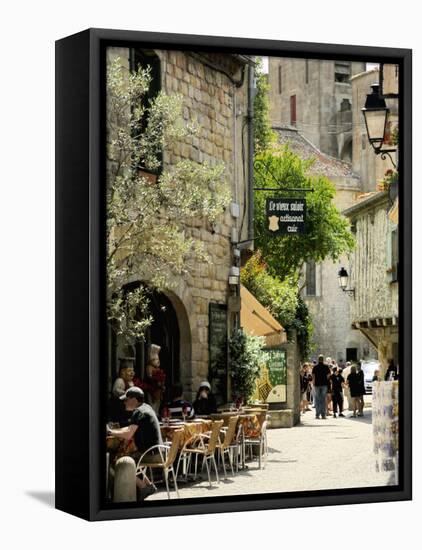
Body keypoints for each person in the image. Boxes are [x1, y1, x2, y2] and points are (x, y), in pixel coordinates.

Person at [107, 386, 163, 500]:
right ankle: (147, 485)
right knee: (130, 458)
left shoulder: (139, 412)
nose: (124, 402)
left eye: (126, 399)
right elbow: (130, 428)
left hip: (151, 455)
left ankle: (142, 487)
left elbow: (128, 434)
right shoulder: (145, 408)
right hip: (158, 452)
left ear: (134, 400)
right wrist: (114, 431)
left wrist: (109, 431)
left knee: (117, 461)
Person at [142, 344, 166, 414]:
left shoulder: (157, 369)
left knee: (157, 404)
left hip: (158, 389)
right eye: (155, 360)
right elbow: (150, 376)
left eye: (158, 359)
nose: (158, 361)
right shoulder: (149, 367)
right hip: (152, 389)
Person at [312, 355, 330, 419]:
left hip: (317, 384)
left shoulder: (315, 367)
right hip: (324, 384)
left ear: (318, 359)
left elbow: (313, 375)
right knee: (323, 399)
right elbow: (328, 376)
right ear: (323, 359)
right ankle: (323, 414)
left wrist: (314, 382)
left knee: (317, 399)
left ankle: (317, 414)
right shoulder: (326, 367)